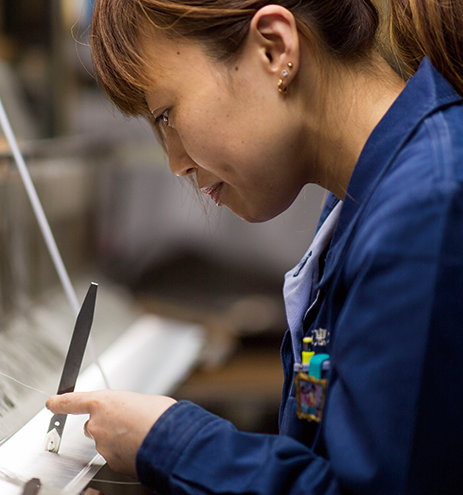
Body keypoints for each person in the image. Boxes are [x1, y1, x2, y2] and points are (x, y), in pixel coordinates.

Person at [46, 0, 463, 493]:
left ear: (274, 49)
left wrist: (175, 444)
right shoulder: (363, 205)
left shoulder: (427, 207)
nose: (176, 162)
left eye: (166, 114)